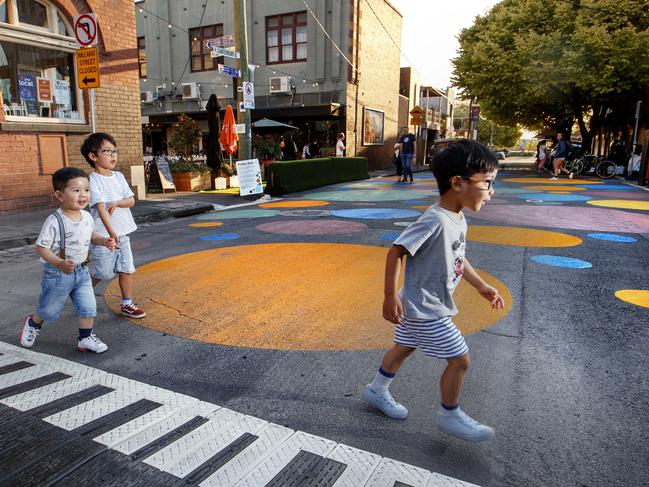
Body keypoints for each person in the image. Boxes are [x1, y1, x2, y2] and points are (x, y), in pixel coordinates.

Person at [361, 139, 505, 443]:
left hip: (418, 302)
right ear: (457, 183)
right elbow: (396, 251)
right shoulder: (435, 219)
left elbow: (457, 257)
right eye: (488, 183)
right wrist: (388, 296)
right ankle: (450, 415)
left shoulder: (457, 218)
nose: (492, 192)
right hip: (426, 307)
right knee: (460, 360)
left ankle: (376, 390)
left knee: (403, 348)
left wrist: (481, 286)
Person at [20, 167, 116, 353]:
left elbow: (91, 236)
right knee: (49, 307)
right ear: (59, 195)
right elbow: (41, 247)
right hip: (57, 273)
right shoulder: (55, 220)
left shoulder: (87, 216)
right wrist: (59, 263)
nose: (83, 195)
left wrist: (104, 241)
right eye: (76, 190)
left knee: (88, 306)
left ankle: (85, 338)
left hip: (81, 272)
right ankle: (33, 323)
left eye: (86, 190)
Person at [81, 133, 146, 319]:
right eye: (107, 151)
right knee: (101, 272)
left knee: (126, 269)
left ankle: (127, 304)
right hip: (104, 237)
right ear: (93, 156)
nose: (113, 155)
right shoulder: (92, 181)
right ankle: (80, 292)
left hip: (123, 234)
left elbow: (131, 200)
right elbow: (101, 209)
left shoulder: (118, 176)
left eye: (114, 151)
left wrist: (118, 203)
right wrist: (111, 233)